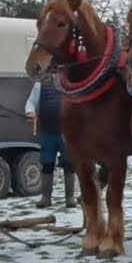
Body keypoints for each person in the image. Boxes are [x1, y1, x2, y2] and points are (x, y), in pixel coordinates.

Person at [24, 76, 76, 208]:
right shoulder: (40, 84)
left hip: (67, 133)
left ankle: (70, 198)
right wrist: (30, 112)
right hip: (47, 133)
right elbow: (31, 102)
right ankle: (46, 198)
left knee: (69, 164)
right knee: (47, 165)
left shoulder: (69, 82)